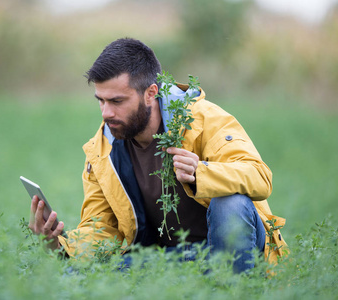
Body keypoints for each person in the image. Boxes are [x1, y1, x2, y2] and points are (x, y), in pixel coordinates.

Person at [28, 38, 287, 272]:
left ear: (151, 93)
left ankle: (234, 289)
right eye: (101, 100)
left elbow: (261, 177)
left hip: (233, 253)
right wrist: (59, 244)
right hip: (168, 259)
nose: (106, 113)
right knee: (77, 273)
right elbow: (103, 230)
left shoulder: (204, 120)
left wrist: (202, 173)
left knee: (229, 202)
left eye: (117, 101)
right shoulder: (102, 150)